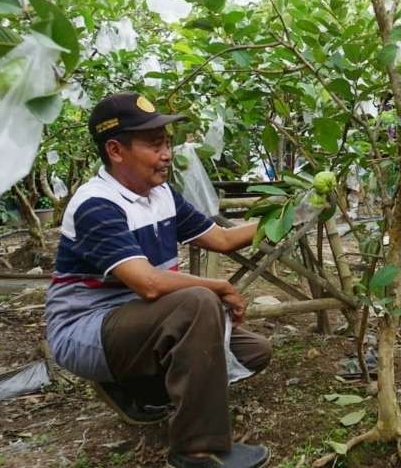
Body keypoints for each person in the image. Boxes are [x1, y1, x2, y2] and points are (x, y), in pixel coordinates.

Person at [45, 92, 271, 468]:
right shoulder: (97, 205)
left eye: (167, 142)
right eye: (154, 145)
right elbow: (148, 283)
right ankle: (197, 450)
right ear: (116, 151)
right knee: (198, 302)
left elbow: (223, 239)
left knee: (253, 352)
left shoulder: (161, 194)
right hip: (87, 329)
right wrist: (219, 287)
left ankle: (135, 390)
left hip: (143, 319)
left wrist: (292, 215)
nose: (167, 153)